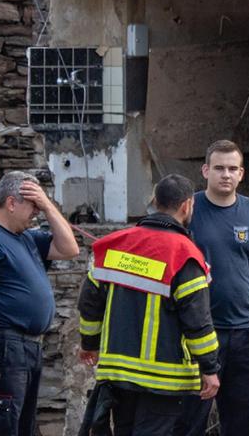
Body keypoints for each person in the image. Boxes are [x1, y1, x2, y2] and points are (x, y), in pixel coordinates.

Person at [78, 175, 221, 436]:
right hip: (162, 379)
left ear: (155, 202)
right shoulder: (184, 254)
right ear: (187, 205)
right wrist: (209, 368)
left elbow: (89, 301)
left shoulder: (116, 245)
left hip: (118, 374)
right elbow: (197, 320)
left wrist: (89, 343)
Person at [179, 140, 249, 436]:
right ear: (205, 171)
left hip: (244, 332)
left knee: (240, 422)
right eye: (219, 168)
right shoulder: (189, 209)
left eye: (232, 168)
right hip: (198, 332)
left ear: (241, 173)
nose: (225, 174)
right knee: (190, 419)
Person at [0, 171, 81, 436]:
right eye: (32, 205)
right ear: (12, 203)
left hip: (31, 345)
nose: (36, 212)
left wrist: (48, 206)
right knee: (5, 420)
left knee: (25, 425)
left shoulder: (27, 237)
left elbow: (70, 249)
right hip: (7, 344)